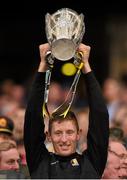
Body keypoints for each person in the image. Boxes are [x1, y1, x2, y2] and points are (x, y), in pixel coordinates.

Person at [24, 43, 109, 179]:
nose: (64, 139)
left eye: (69, 132)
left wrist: (86, 65)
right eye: (58, 133)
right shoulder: (39, 162)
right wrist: (42, 67)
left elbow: (100, 117)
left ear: (78, 134)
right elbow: (32, 117)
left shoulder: (92, 162)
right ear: (48, 136)